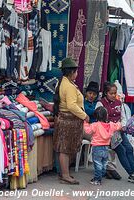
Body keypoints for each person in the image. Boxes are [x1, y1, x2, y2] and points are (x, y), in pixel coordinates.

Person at [96, 82, 134, 183]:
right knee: (121, 151)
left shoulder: (119, 103)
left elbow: (123, 117)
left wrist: (123, 126)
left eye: (114, 93)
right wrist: (113, 128)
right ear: (106, 93)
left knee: (129, 148)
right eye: (111, 93)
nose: (113, 95)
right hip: (108, 133)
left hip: (119, 131)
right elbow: (100, 120)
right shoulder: (101, 104)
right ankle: (131, 174)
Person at [53, 57, 89, 185]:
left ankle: (64, 173)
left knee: (64, 148)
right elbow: (72, 105)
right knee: (65, 149)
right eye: (76, 71)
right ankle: (65, 175)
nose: (77, 74)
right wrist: (84, 115)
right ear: (71, 72)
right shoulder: (69, 86)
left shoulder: (62, 82)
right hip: (69, 121)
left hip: (64, 119)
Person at [84, 106, 122, 185]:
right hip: (106, 147)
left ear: (96, 116)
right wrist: (119, 123)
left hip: (97, 147)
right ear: (106, 115)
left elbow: (87, 131)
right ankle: (103, 173)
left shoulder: (95, 125)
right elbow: (118, 126)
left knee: (97, 163)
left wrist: (85, 123)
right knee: (104, 162)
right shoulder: (111, 125)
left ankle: (97, 179)